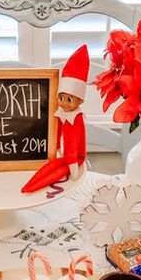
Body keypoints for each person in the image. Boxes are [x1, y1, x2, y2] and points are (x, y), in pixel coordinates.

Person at [21, 44, 89, 194]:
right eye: (61, 98)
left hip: (75, 156)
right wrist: (56, 146)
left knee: (56, 172)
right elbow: (57, 130)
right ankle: (28, 186)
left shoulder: (76, 119)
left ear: (80, 102)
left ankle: (31, 187)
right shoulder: (61, 113)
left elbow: (73, 142)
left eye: (69, 100)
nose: (63, 103)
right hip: (64, 154)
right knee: (48, 168)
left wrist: (72, 163)